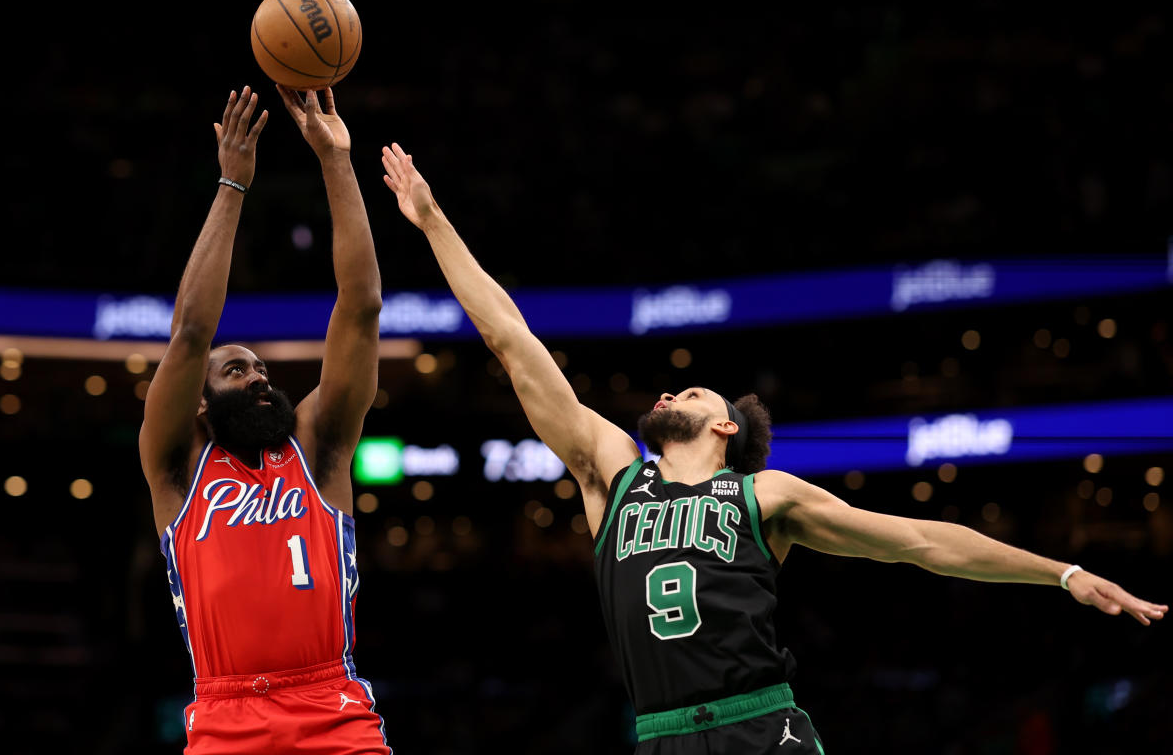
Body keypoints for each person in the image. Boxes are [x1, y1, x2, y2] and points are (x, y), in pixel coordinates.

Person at [379, 143, 1167, 754]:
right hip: (660, 733)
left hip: (763, 729)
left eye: (688, 394)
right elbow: (511, 340)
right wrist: (430, 216)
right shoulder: (611, 474)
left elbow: (924, 543)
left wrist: (1061, 573)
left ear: (726, 428)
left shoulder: (766, 497)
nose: (665, 395)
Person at [139, 85, 389, 754]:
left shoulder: (318, 446)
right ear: (199, 398)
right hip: (225, 716)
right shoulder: (179, 464)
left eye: (262, 371)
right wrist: (232, 183)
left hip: (333, 708)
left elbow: (361, 305)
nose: (259, 379)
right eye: (237, 371)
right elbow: (191, 332)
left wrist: (336, 159)